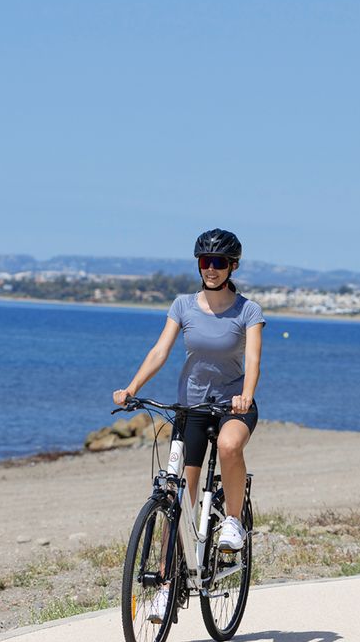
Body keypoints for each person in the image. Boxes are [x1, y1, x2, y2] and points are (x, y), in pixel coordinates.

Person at [113, 228, 264, 619]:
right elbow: (160, 351)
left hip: (233, 405)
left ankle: (232, 522)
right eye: (204, 262)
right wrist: (131, 388)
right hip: (192, 408)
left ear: (232, 266)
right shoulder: (182, 305)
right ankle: (167, 584)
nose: (210, 269)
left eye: (218, 262)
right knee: (178, 498)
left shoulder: (248, 311)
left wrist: (245, 395)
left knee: (230, 447)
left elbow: (253, 362)